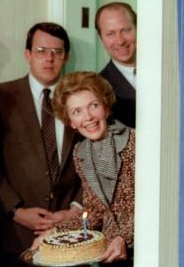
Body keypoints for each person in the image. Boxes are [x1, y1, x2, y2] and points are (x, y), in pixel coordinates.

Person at [0, 23, 81, 266]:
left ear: (66, 57)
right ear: (28, 55)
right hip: (14, 235)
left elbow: (96, 159)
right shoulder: (2, 98)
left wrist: (75, 209)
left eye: (57, 52)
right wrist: (15, 210)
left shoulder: (81, 98)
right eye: (41, 50)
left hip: (70, 234)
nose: (49, 58)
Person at [36, 71, 135, 264]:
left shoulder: (134, 141)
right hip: (108, 254)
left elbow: (150, 204)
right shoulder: (80, 153)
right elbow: (96, 211)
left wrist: (124, 237)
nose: (88, 117)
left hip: (143, 247)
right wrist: (56, 232)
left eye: (93, 105)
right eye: (77, 111)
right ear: (70, 122)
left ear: (106, 108)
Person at [95, 2, 137, 128]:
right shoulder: (98, 87)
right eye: (110, 34)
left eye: (125, 30)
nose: (120, 41)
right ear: (101, 38)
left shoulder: (165, 72)